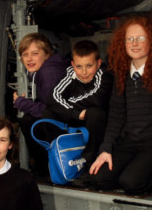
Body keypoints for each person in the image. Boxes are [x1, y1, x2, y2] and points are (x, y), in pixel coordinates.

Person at [89, 14, 152, 195]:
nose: (134, 43)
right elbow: (116, 116)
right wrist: (106, 149)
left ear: (151, 40)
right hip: (130, 142)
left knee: (131, 183)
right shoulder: (121, 74)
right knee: (99, 178)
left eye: (140, 38)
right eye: (129, 39)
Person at [42, 40, 114, 186]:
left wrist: (69, 105)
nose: (84, 72)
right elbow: (53, 97)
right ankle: (60, 163)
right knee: (47, 114)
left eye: (89, 65)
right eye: (79, 66)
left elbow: (98, 98)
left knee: (95, 112)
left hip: (99, 125)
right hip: (77, 117)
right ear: (73, 65)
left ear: (98, 63)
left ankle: (88, 166)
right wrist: (75, 114)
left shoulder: (104, 74)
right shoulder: (71, 74)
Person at [13, 33, 69, 174]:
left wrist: (21, 103)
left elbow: (52, 109)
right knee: (29, 119)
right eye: (25, 55)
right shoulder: (46, 69)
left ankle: (46, 169)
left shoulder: (49, 72)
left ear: (47, 54)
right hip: (64, 119)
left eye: (35, 53)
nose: (29, 59)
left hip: (68, 122)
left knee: (27, 121)